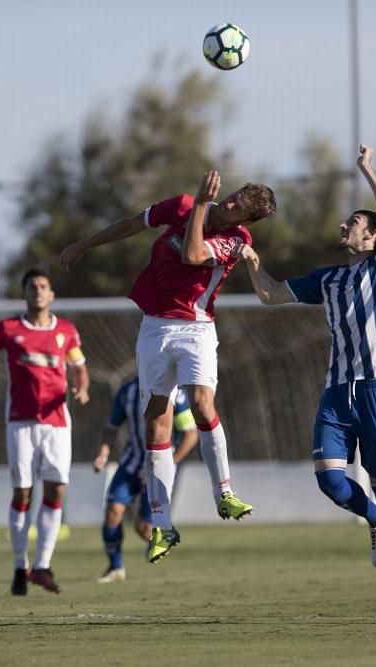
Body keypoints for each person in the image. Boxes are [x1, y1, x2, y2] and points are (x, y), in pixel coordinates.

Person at [60, 171, 277, 563]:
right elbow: (131, 224)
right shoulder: (180, 204)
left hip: (196, 329)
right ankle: (161, 523)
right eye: (231, 197)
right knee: (155, 422)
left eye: (237, 208)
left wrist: (198, 205)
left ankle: (223, 492)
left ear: (245, 222)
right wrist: (84, 244)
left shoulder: (237, 240)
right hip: (155, 329)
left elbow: (192, 254)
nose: (228, 204)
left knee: (200, 403)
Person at [234, 144, 376, 624]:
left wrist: (368, 170)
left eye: (352, 222)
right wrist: (251, 258)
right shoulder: (327, 279)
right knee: (330, 481)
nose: (343, 226)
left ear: (370, 235)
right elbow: (271, 295)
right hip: (338, 391)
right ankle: (370, 518)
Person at [0, 268, 90, 596]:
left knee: (56, 491)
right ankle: (19, 566)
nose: (38, 291)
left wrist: (81, 389)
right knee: (22, 493)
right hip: (21, 422)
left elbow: (80, 367)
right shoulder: (8, 329)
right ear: (24, 294)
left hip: (57, 423)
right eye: (32, 287)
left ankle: (43, 566)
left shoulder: (66, 331)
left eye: (43, 286)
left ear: (51, 294)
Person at [93, 378, 198, 583]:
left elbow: (190, 434)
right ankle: (115, 567)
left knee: (143, 528)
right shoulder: (127, 391)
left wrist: (171, 463)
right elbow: (112, 427)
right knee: (114, 510)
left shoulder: (175, 392)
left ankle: (161, 536)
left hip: (160, 464)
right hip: (132, 462)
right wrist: (103, 454)